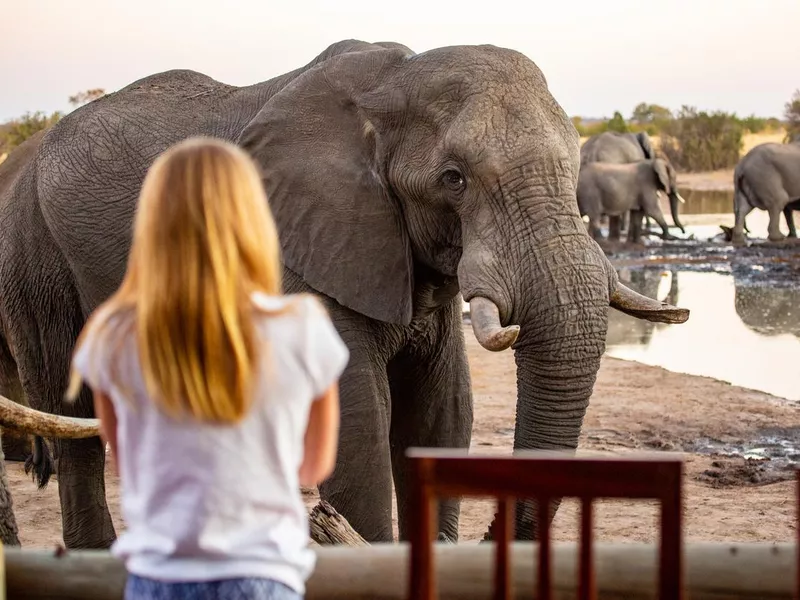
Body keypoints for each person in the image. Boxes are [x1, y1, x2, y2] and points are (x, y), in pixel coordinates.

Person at [65, 136, 348, 600]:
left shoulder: (112, 331)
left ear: (152, 223)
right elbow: (313, 464)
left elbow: (126, 459)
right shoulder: (302, 325)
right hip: (265, 575)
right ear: (252, 219)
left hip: (158, 576)